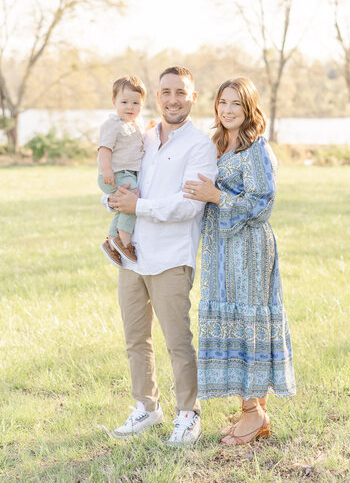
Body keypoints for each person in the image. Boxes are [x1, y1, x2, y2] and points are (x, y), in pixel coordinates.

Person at [104, 66, 218, 445]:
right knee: (136, 338)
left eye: (180, 93)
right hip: (133, 255)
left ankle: (189, 413)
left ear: (193, 98)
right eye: (166, 92)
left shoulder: (200, 146)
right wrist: (112, 201)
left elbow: (189, 205)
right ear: (157, 95)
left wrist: (138, 207)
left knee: (177, 341)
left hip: (172, 257)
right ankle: (147, 408)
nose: (172, 99)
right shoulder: (143, 136)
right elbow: (120, 178)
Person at [182, 76, 296, 445]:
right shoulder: (217, 143)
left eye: (237, 104)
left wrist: (217, 196)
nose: (228, 110)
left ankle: (252, 411)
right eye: (223, 103)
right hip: (220, 247)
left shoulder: (256, 148)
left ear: (249, 110)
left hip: (247, 248)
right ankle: (255, 412)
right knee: (229, 318)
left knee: (246, 320)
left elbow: (263, 204)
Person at [98, 75, 145, 267]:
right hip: (116, 173)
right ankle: (125, 243)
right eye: (124, 102)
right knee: (132, 202)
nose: (130, 107)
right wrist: (107, 170)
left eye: (136, 103)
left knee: (121, 208)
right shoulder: (113, 125)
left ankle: (111, 241)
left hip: (126, 173)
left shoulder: (134, 124)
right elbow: (104, 149)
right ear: (114, 102)